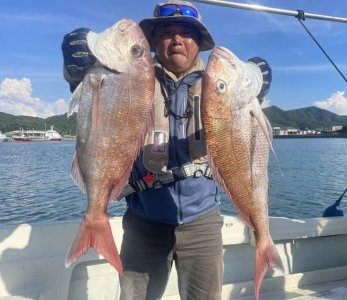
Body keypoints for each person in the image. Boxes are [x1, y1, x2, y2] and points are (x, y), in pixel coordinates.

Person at [61, 0, 271, 299]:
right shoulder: (134, 78)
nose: (176, 39)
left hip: (203, 223)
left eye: (186, 32)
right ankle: (96, 222)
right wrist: (77, 74)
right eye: (167, 32)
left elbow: (245, 134)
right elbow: (98, 115)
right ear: (154, 41)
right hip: (143, 222)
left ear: (199, 43)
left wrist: (257, 82)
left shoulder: (218, 82)